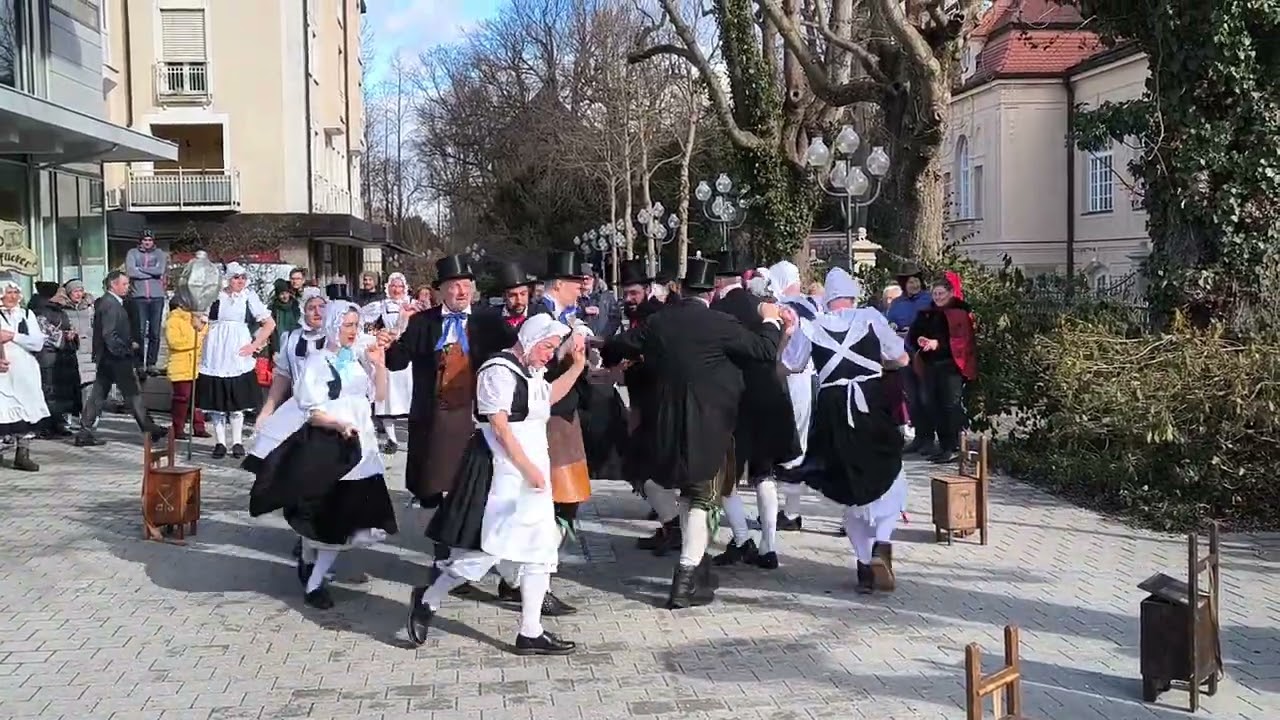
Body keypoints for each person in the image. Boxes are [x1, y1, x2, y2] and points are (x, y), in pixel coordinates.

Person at [601, 256, 788, 608]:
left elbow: (615, 347)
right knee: (701, 496)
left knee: (689, 495)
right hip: (711, 423)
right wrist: (771, 321)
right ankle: (685, 577)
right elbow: (763, 350)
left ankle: (697, 567)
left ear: (682, 290)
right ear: (711, 292)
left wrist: (628, 360)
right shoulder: (720, 323)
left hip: (667, 421)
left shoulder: (659, 322)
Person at [407, 314, 586, 655]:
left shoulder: (532, 371)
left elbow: (546, 398)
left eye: (552, 348)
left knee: (539, 549)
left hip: (532, 471)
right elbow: (500, 427)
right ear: (531, 340)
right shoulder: (498, 370)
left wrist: (576, 368)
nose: (549, 355)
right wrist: (528, 469)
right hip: (502, 471)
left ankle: (530, 631)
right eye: (547, 347)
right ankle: (427, 600)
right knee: (485, 551)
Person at [246, 301, 397, 610]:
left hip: (361, 449)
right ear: (333, 326)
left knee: (351, 518)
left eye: (357, 325)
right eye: (348, 325)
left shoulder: (355, 359)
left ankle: (311, 568)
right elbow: (312, 411)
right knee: (331, 519)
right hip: (330, 446)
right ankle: (314, 582)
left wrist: (379, 364)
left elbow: (378, 397)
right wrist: (339, 424)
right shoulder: (316, 361)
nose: (354, 332)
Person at [782, 267, 910, 594]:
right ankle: (881, 545)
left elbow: (792, 364)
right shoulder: (869, 318)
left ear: (828, 299)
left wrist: (786, 334)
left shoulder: (811, 325)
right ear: (852, 296)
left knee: (848, 484)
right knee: (890, 474)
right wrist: (884, 363)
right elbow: (901, 357)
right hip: (870, 402)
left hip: (832, 411)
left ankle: (865, 567)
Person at [383, 255, 509, 517]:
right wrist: (391, 341)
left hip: (474, 416)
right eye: (454, 285)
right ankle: (440, 547)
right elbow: (396, 363)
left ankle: (464, 545)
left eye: (466, 284)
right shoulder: (423, 322)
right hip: (432, 416)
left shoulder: (489, 321)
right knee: (432, 487)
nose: (462, 291)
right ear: (440, 290)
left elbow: (516, 353)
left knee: (470, 482)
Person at [709, 252, 800, 571]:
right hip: (771, 394)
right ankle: (769, 547)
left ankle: (742, 538)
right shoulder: (765, 305)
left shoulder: (717, 311)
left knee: (727, 477)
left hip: (735, 399)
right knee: (764, 474)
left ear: (718, 281)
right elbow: (775, 354)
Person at [613, 260, 682, 556]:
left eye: (633, 293)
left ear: (646, 290)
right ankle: (669, 525)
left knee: (646, 467)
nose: (629, 299)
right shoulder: (637, 314)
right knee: (640, 466)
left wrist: (632, 363)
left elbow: (657, 357)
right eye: (626, 294)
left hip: (658, 401)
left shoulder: (656, 315)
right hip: (642, 398)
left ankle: (674, 526)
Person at [75, 271, 168, 447]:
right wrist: (125, 349)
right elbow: (108, 334)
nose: (127, 287)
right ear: (113, 285)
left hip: (108, 357)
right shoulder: (110, 304)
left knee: (99, 394)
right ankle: (149, 429)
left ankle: (85, 431)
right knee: (132, 394)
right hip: (115, 358)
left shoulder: (111, 302)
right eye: (124, 284)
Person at [196, 262, 277, 459]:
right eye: (236, 278)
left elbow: (269, 323)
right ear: (228, 279)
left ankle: (238, 441)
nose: (240, 281)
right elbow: (199, 324)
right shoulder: (215, 295)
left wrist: (255, 344)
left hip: (237, 349)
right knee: (217, 401)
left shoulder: (249, 297)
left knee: (237, 399)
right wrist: (195, 313)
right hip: (216, 350)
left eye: (242, 278)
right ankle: (220, 442)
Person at [766, 260, 823, 532]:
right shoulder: (811, 304)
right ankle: (790, 510)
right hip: (809, 377)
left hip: (792, 377)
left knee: (792, 443)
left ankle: (791, 512)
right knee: (798, 441)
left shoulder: (785, 307)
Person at [907, 278, 977, 464]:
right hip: (931, 365)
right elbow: (914, 334)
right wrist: (921, 340)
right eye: (935, 294)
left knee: (950, 405)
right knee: (933, 404)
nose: (937, 297)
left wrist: (938, 344)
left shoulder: (960, 312)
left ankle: (953, 446)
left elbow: (962, 341)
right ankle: (944, 444)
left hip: (951, 365)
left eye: (941, 294)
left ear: (950, 294)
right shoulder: (927, 313)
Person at [360, 272, 414, 453]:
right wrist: (376, 335)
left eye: (400, 286)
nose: (397, 289)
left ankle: (414, 437)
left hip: (409, 356)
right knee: (387, 399)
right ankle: (392, 439)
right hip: (388, 355)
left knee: (411, 396)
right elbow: (361, 321)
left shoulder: (413, 305)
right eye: (393, 286)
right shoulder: (380, 306)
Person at [0, 278, 50, 471]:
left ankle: (23, 454)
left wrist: (13, 336)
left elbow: (37, 342)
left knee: (27, 411)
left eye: (15, 293)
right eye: (8, 292)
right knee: (5, 411)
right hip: (4, 373)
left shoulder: (27, 314)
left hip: (25, 371)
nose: (12, 297)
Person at [885, 264, 935, 454]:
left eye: (916, 281)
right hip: (904, 353)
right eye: (909, 282)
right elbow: (889, 323)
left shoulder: (928, 300)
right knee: (912, 397)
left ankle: (930, 438)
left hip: (924, 354)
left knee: (926, 397)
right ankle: (919, 437)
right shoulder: (897, 303)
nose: (913, 284)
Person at [28, 282, 78, 437]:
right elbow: (44, 333)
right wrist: (65, 336)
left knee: (59, 392)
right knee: (48, 390)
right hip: (46, 356)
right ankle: (44, 425)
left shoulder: (57, 309)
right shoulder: (38, 311)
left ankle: (58, 422)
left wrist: (71, 334)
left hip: (61, 356)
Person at [164, 289, 210, 439]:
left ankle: (199, 427)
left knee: (197, 399)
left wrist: (202, 326)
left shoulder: (193, 318)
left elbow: (203, 334)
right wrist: (195, 341)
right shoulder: (173, 320)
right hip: (180, 365)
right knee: (182, 398)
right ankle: (178, 428)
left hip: (196, 364)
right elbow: (175, 342)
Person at [125, 231, 169, 374]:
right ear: (140, 241)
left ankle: (151, 363)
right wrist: (152, 272)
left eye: (150, 240)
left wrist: (141, 269)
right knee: (139, 332)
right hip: (139, 297)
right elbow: (131, 272)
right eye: (145, 240)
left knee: (155, 333)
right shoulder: (132, 253)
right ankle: (138, 364)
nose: (147, 242)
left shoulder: (159, 253)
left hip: (157, 296)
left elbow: (160, 270)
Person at [577, 268, 620, 337]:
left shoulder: (606, 296)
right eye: (582, 279)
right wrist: (583, 311)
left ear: (593, 279)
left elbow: (615, 317)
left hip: (603, 341)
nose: (585, 282)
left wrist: (605, 336)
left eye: (587, 278)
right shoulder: (573, 296)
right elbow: (567, 316)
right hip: (580, 341)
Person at [493, 262, 535, 329]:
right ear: (504, 296)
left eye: (523, 294)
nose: (519, 300)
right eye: (513, 295)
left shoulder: (540, 313)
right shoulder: (492, 318)